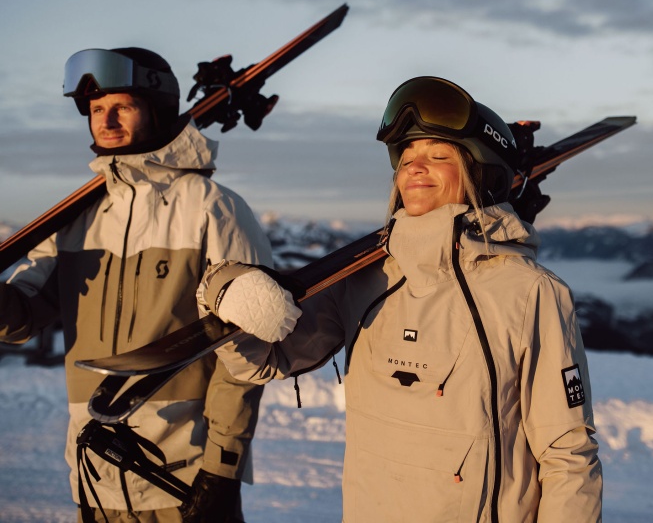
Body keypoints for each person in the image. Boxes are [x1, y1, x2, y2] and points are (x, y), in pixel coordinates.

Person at [198, 76, 603, 522]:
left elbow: (567, 454)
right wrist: (224, 291)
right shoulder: (367, 279)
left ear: (482, 170)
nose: (413, 167)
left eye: (438, 155)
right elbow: (270, 357)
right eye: (406, 157)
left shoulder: (529, 292)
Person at [0, 47, 273, 522]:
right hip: (94, 474)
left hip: (183, 479)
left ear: (158, 108)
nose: (105, 121)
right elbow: (22, 318)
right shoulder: (75, 219)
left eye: (121, 106)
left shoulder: (213, 208)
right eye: (95, 110)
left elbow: (247, 349)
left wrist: (222, 468)